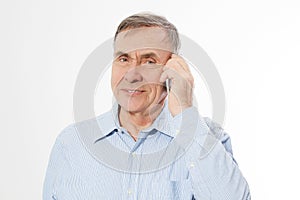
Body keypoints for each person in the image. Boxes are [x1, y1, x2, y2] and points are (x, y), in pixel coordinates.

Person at [43, 13, 251, 200]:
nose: (132, 75)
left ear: (173, 68)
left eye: (149, 61)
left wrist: (185, 111)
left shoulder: (206, 136)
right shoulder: (71, 144)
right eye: (123, 59)